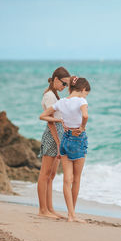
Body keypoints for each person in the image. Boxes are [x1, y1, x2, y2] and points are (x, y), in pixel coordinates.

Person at [40, 76, 90, 223]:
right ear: (82, 90)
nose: (85, 96)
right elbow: (85, 115)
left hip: (65, 139)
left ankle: (70, 215)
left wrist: (60, 120)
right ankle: (73, 214)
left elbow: (43, 116)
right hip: (78, 139)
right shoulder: (82, 101)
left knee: (66, 180)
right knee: (77, 179)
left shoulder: (61, 102)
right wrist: (82, 127)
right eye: (86, 93)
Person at [37, 67, 70, 219]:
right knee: (45, 175)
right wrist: (58, 143)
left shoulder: (54, 95)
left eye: (67, 85)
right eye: (64, 83)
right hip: (52, 135)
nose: (65, 87)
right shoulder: (49, 96)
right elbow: (51, 123)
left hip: (57, 134)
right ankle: (43, 210)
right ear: (56, 79)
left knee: (51, 176)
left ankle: (49, 209)